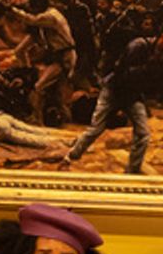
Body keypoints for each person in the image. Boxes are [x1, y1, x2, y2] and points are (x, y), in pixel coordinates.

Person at [61, 33, 163, 175]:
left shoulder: (159, 58)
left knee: (143, 133)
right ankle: (72, 155)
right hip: (113, 91)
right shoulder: (139, 46)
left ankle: (132, 170)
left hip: (133, 95)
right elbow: (122, 73)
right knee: (95, 129)